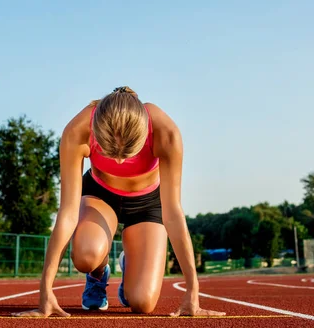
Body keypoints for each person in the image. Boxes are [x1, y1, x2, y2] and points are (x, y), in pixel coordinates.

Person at [13, 86, 224, 317]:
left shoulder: (166, 133)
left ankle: (130, 267)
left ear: (145, 133)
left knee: (142, 303)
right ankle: (97, 274)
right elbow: (67, 213)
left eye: (128, 153)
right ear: (96, 132)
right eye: (111, 153)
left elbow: (173, 213)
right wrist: (46, 291)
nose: (121, 162)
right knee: (85, 256)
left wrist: (193, 292)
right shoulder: (78, 130)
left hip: (149, 203)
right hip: (100, 196)